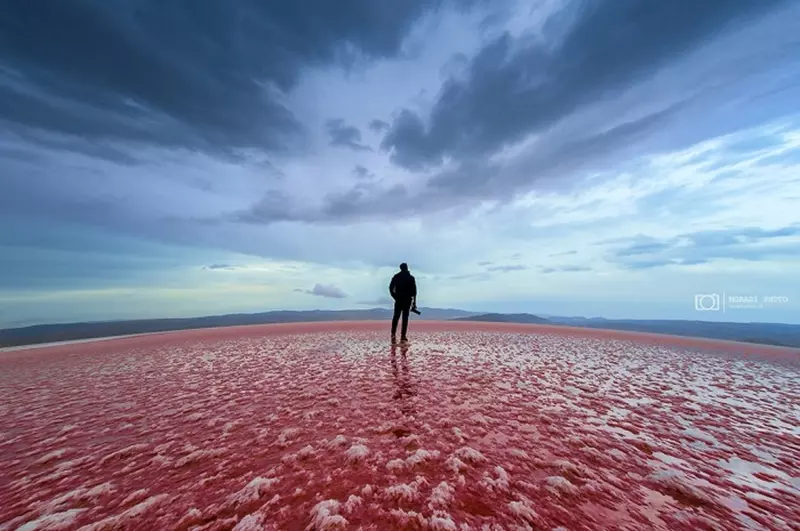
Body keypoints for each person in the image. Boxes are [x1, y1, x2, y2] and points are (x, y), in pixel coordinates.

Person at [389, 262, 417, 343]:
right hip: (406, 300)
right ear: (406, 268)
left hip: (400, 300)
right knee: (404, 318)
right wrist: (414, 303)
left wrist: (395, 297)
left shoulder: (397, 277)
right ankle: (402, 336)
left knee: (396, 317)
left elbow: (391, 288)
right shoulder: (411, 278)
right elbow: (415, 292)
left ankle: (394, 334)